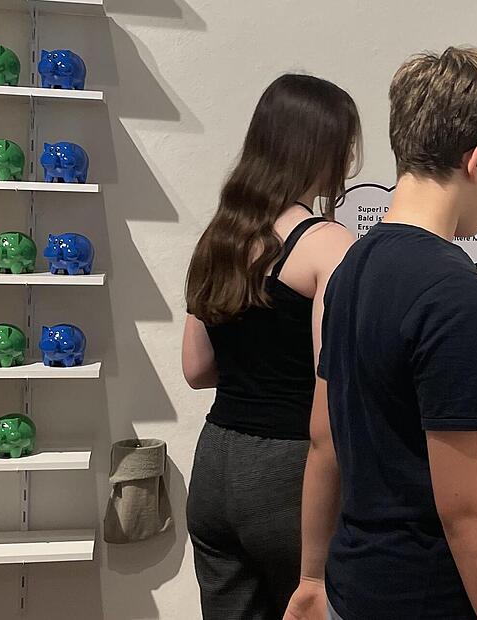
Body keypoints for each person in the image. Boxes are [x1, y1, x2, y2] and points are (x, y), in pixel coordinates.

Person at [284, 46, 477, 620]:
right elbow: (473, 513)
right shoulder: (459, 299)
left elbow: (324, 438)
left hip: (356, 583)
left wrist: (311, 574)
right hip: (431, 597)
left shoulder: (350, 268)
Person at [180, 73, 361, 620]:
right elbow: (333, 394)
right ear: (323, 149)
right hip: (289, 469)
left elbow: (196, 368)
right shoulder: (328, 244)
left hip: (215, 464)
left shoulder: (221, 236)